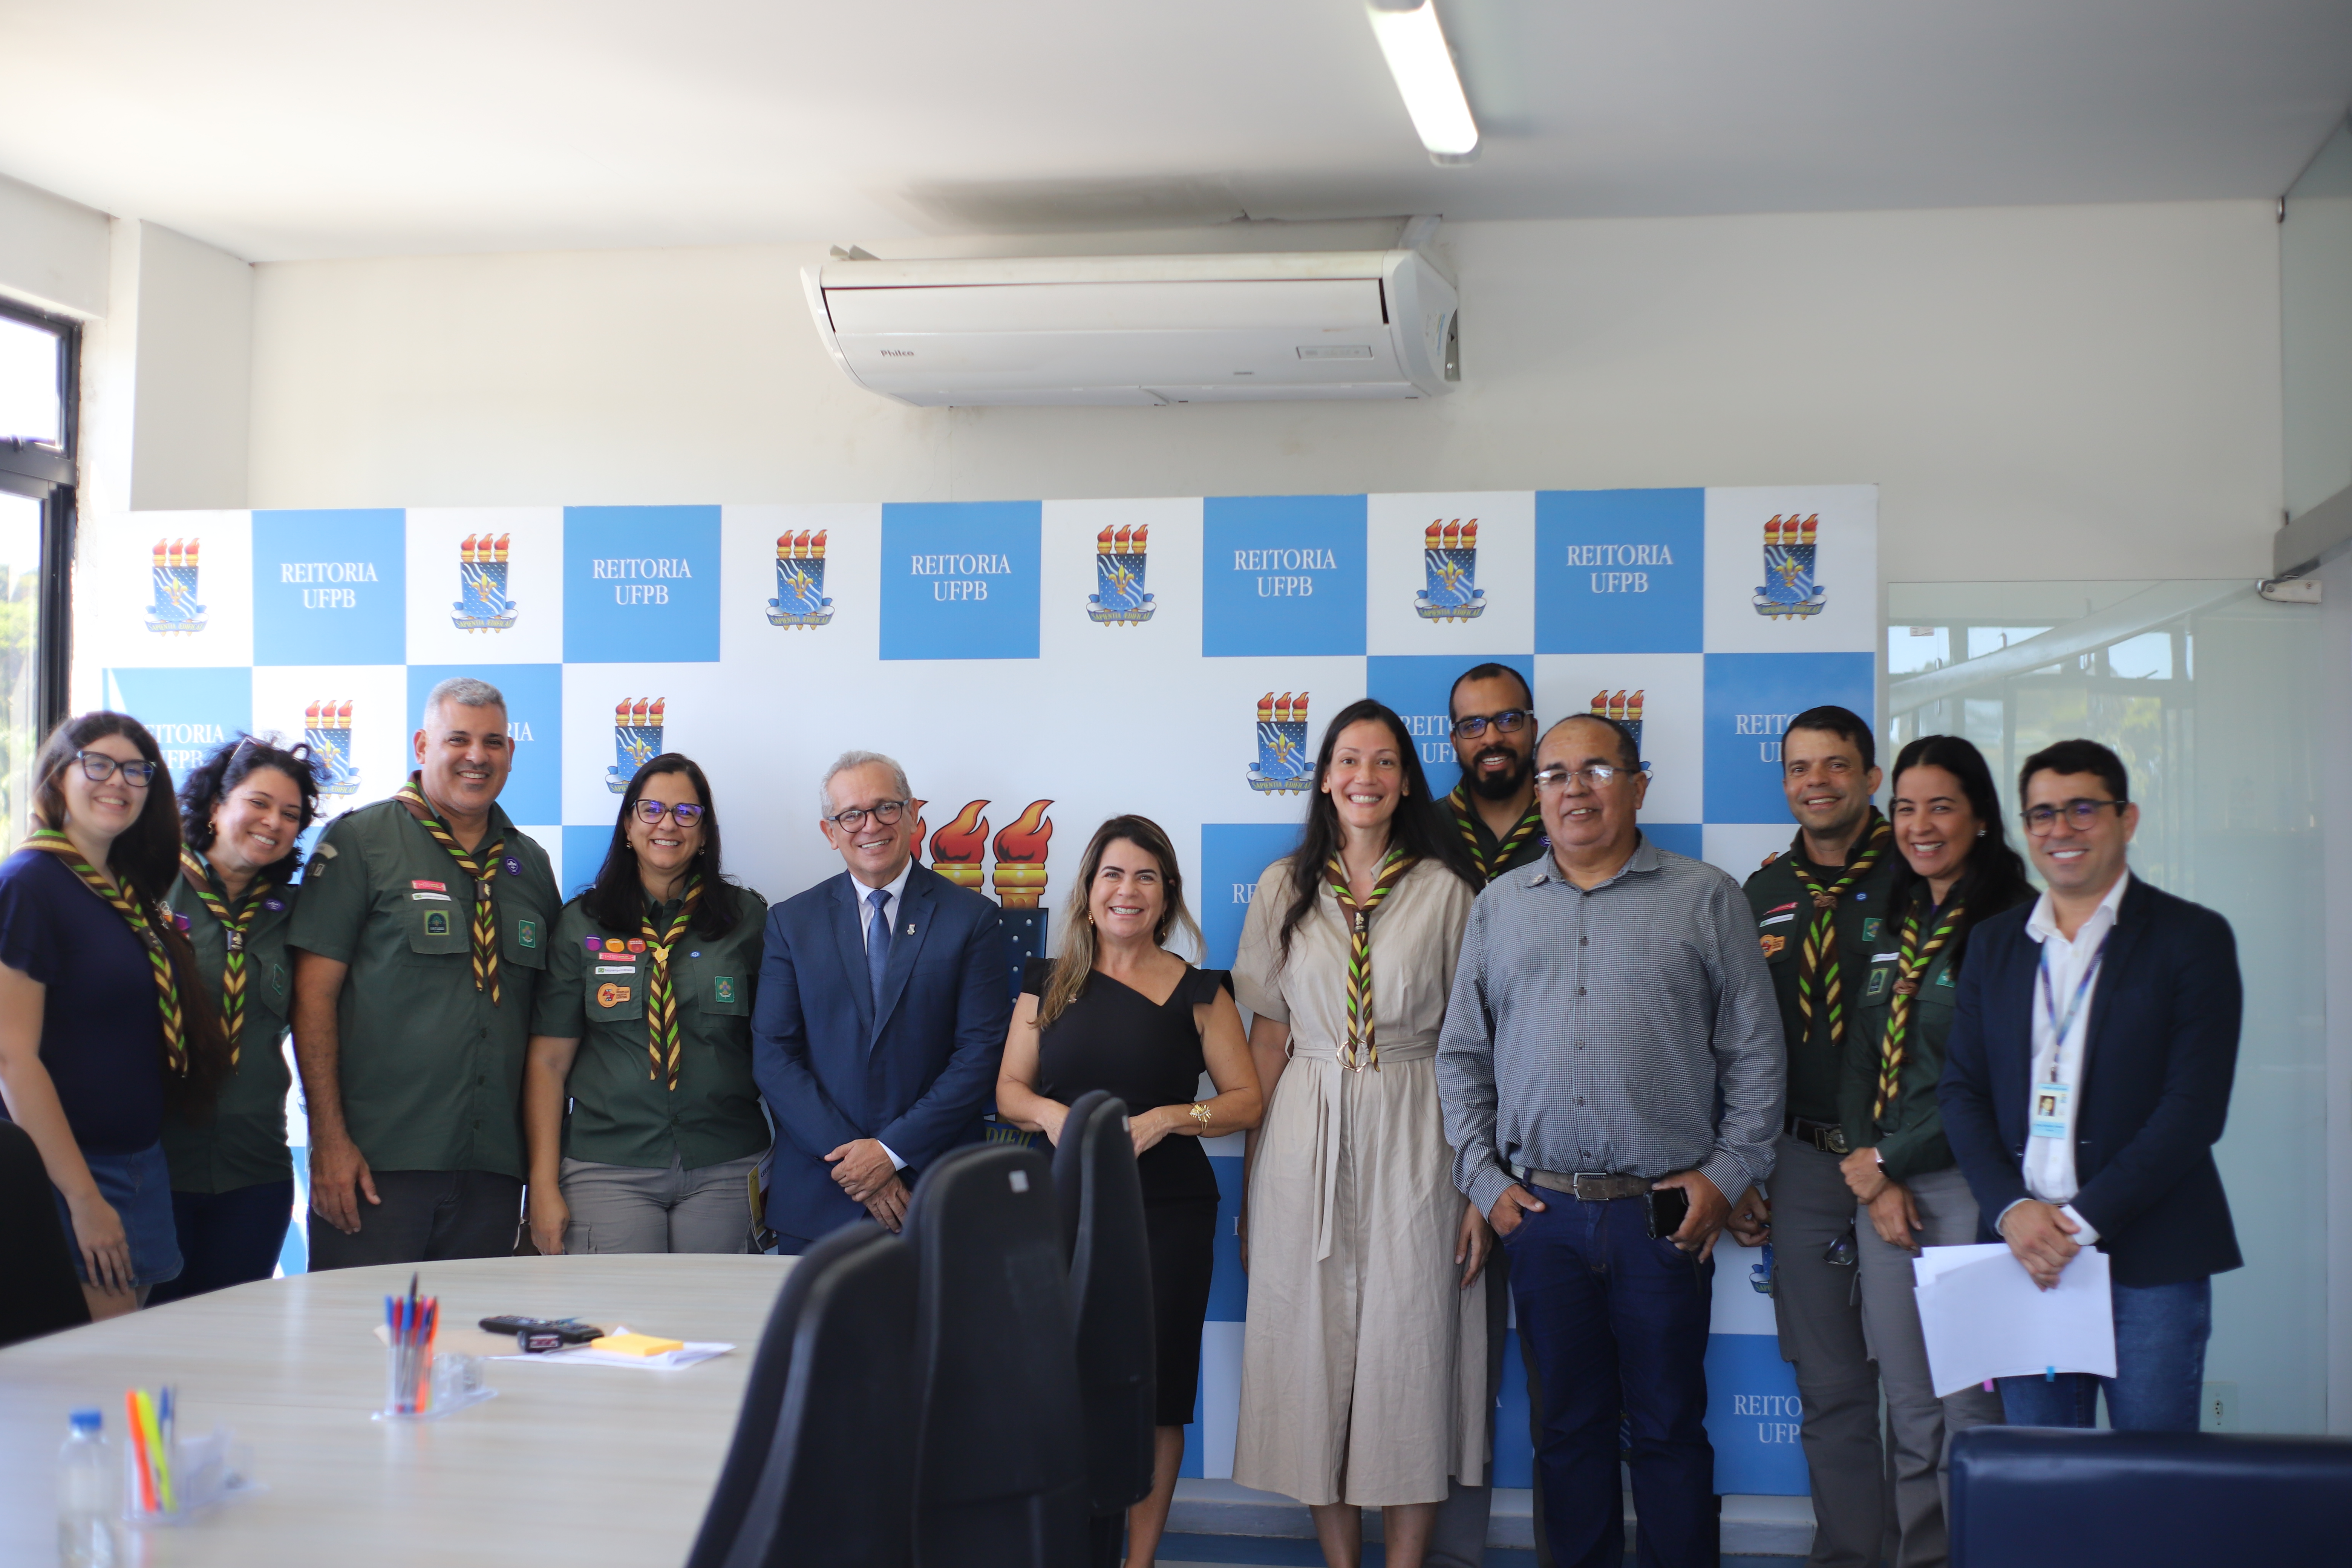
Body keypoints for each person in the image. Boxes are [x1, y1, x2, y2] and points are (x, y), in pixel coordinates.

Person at [1438, 711, 1782, 1568]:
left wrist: (1726, 1177)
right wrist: (1486, 1184)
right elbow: (1461, 1058)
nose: (1574, 790)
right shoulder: (1499, 907)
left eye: (1596, 770)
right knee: (1568, 1431)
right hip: (1542, 1213)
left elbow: (1756, 1056)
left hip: (1664, 1211)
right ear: (1537, 793)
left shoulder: (1706, 896)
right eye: (1555, 775)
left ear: (1637, 785)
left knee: (1669, 1427)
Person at [1230, 698, 1489, 1568]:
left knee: (1410, 1349)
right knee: (1314, 1349)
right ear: (1326, 777)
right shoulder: (1283, 886)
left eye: (1383, 762)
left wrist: (1477, 1190)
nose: (1365, 778)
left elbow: (1475, 1046)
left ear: (1406, 778)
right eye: (1348, 760)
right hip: (1306, 1119)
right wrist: (1255, 1181)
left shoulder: (1450, 889)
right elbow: (1267, 1035)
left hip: (1421, 1122)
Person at [1940, 738, 2243, 1431]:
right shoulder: (1994, 942)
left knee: (2153, 1481)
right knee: (2043, 1483)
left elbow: (2193, 1111)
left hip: (2150, 1257)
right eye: (2043, 814)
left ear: (2126, 819)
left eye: (2083, 810)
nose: (2061, 830)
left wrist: (2075, 1226)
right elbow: (1962, 1091)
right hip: (2023, 1253)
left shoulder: (2191, 938)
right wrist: (2013, 1209)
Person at [995, 814, 1263, 1568]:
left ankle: (1137, 1561)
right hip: (1063, 1210)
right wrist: (1058, 1115)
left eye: (1147, 876)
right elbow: (1010, 1090)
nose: (1128, 890)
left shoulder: (1201, 990)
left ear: (1168, 896)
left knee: (1157, 1394)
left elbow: (1246, 1100)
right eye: (1113, 874)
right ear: (1087, 892)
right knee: (1064, 1387)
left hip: (1169, 1215)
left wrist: (1173, 1118)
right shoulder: (1046, 983)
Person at [1834, 737, 2029, 1568]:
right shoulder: (1895, 917)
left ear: (1981, 818)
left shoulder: (2012, 923)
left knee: (1969, 1413)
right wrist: (1865, 1167)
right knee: (1909, 1411)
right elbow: (1857, 1054)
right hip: (1886, 1193)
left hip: (1969, 1189)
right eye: (1906, 807)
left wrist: (1891, 1163)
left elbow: (1986, 1078)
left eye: (1941, 806)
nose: (1920, 825)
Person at [288, 677, 560, 1268]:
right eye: (458, 739)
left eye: (493, 742)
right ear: (421, 745)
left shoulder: (530, 865)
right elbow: (312, 1000)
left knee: (470, 1351)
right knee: (357, 1349)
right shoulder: (362, 841)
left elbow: (547, 1034)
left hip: (492, 1169)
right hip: (376, 1165)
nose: (476, 757)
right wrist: (329, 1143)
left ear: (510, 753)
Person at [1736, 704, 1898, 1568]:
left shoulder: (1925, 876)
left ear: (1873, 776)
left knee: (1921, 1393)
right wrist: (1743, 1171)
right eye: (1800, 768)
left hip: (1909, 1165)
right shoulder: (1760, 894)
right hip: (1802, 1162)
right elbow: (1734, 1045)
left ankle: (1931, 1552)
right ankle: (1850, 1555)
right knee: (1831, 1388)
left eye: (1836, 766)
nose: (1817, 783)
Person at [0, 714, 231, 1318]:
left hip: (140, 1163)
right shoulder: (29, 883)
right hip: (71, 1171)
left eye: (137, 771)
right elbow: (10, 1057)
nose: (118, 783)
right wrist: (82, 1198)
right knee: (97, 1384)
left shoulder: (124, 891)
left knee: (124, 1371)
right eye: (97, 765)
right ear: (57, 778)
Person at [752, 749, 1009, 1247]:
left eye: (886, 808)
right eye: (851, 814)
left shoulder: (971, 918)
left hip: (934, 1191)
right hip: (822, 1193)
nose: (870, 825)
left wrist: (890, 1153)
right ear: (830, 833)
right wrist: (856, 1163)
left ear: (914, 816)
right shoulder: (792, 922)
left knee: (939, 1328)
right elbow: (773, 1054)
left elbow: (979, 1054)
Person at [524, 754, 768, 1254]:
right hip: (608, 1168)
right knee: (621, 1329)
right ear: (629, 826)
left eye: (686, 813)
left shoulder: (749, 920)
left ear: (704, 835)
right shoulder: (582, 923)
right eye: (651, 809)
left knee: (713, 1327)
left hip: (724, 1162)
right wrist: (543, 1185)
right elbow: (549, 1062)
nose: (668, 824)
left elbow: (780, 1047)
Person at [1430, 661, 1550, 1568]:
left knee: (1568, 1381)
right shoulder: (1419, 831)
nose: (1492, 738)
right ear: (1455, 740)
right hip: (1442, 1128)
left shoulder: (1584, 818)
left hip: (1564, 1130)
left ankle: (1569, 1549)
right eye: (1473, 726)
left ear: (1532, 725)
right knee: (1454, 1365)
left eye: (1507, 720)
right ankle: (1453, 1556)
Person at [150, 736, 320, 1303]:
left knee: (226, 1347)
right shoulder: (148, 889)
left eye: (291, 814)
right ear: (217, 805)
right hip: (156, 1169)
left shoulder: (293, 915)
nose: (274, 822)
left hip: (256, 1173)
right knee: (149, 1343)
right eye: (260, 803)